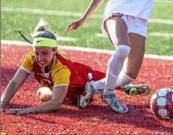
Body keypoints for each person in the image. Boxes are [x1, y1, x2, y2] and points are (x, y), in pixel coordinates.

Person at [0, 19, 150, 115]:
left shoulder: (61, 69)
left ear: (54, 51)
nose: (39, 58)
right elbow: (14, 82)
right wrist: (2, 103)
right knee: (42, 94)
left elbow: (56, 104)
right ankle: (111, 89)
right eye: (36, 53)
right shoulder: (32, 58)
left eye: (44, 53)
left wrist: (26, 111)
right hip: (63, 90)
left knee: (104, 82)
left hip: (83, 79)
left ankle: (122, 86)